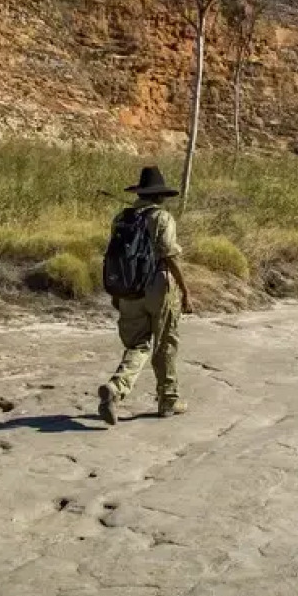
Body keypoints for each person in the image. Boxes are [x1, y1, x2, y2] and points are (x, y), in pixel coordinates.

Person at [98, 166, 195, 426]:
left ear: (140, 192)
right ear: (160, 195)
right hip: (159, 286)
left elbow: (114, 256)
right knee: (165, 344)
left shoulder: (121, 218)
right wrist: (185, 290)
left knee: (138, 345)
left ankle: (117, 387)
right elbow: (169, 255)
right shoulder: (162, 218)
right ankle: (168, 400)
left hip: (128, 288)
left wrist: (116, 292)